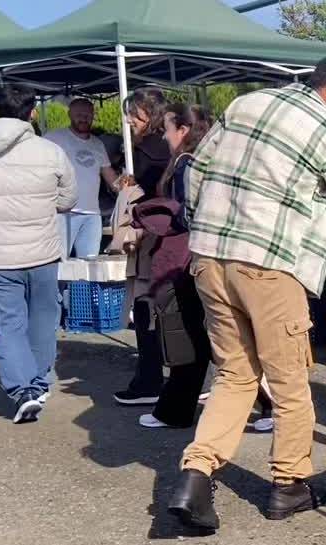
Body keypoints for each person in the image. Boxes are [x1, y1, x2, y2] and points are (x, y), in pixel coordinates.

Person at [168, 55, 326, 531]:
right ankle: (289, 483)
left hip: (210, 260)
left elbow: (194, 171)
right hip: (271, 267)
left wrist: (202, 227)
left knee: (236, 374)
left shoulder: (247, 103)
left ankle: (195, 474)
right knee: (290, 380)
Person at [131, 103, 276, 432]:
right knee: (202, 338)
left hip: (191, 260)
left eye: (167, 128)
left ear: (183, 131)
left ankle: (270, 403)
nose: (164, 136)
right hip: (199, 260)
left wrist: (159, 212)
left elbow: (190, 214)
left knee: (204, 338)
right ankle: (176, 409)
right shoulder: (200, 162)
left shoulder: (186, 166)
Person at [0, 84, 77, 422]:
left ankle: (22, 389)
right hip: (42, 252)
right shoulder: (49, 151)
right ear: (32, 112)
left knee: (7, 324)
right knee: (43, 319)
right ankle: (37, 383)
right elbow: (67, 199)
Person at [113, 87, 172, 406]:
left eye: (132, 114)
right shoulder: (169, 148)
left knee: (146, 307)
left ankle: (148, 380)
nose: (128, 120)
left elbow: (150, 195)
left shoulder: (146, 152)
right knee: (172, 311)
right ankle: (175, 377)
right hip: (170, 239)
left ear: (146, 115)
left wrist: (132, 191)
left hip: (150, 238)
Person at [43, 98, 121, 259]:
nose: (83, 118)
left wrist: (127, 188)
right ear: (69, 114)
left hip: (92, 215)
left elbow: (110, 176)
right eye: (79, 114)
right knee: (59, 263)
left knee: (89, 266)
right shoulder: (53, 138)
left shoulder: (98, 144)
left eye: (87, 115)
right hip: (63, 213)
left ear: (93, 116)